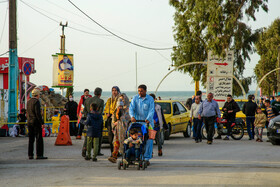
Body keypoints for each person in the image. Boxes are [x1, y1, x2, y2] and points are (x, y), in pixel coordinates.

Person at [129, 84, 154, 165]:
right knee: (136, 139)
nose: (140, 92)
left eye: (141, 91)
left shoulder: (150, 99)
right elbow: (131, 108)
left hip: (148, 123)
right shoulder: (135, 98)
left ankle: (146, 158)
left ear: (145, 91)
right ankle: (136, 156)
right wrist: (132, 116)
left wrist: (148, 118)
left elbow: (151, 110)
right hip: (137, 123)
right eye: (139, 91)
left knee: (149, 140)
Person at [82, 88, 104, 157]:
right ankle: (97, 152)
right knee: (98, 138)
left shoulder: (87, 100)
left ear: (94, 93)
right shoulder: (101, 101)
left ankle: (84, 150)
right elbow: (100, 112)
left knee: (88, 137)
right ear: (100, 94)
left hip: (89, 121)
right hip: (97, 122)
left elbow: (84, 111)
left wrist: (88, 117)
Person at [108, 94, 131, 163]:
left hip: (126, 130)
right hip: (117, 130)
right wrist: (114, 124)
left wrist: (121, 121)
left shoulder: (128, 110)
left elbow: (128, 119)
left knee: (125, 143)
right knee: (116, 142)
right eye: (120, 99)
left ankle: (126, 157)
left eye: (123, 100)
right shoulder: (116, 110)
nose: (122, 101)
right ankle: (114, 156)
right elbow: (113, 119)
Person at [26, 88, 47, 159]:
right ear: (37, 95)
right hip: (36, 122)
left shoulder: (28, 102)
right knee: (39, 138)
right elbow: (38, 114)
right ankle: (39, 154)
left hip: (29, 122)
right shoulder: (36, 102)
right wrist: (42, 123)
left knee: (31, 139)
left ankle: (30, 155)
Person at [104, 86, 121, 155]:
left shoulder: (120, 99)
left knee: (118, 137)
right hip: (110, 120)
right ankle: (112, 152)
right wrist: (107, 113)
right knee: (110, 137)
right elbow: (106, 108)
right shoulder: (109, 100)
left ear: (118, 91)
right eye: (113, 90)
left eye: (115, 90)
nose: (114, 92)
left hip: (117, 120)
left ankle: (118, 152)